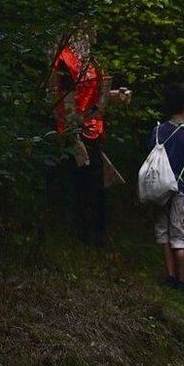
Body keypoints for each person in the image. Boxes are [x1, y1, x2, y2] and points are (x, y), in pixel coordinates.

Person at [51, 26, 130, 246]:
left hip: (94, 132)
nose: (94, 32)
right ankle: (81, 241)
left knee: (98, 188)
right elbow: (64, 100)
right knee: (81, 188)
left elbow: (93, 96)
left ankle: (95, 240)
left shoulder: (91, 60)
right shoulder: (65, 60)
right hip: (75, 134)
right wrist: (73, 137)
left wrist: (117, 96)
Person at [151, 82, 184, 295]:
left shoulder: (157, 131)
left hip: (159, 190)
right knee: (180, 237)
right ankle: (183, 283)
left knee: (163, 234)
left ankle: (171, 277)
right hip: (182, 191)